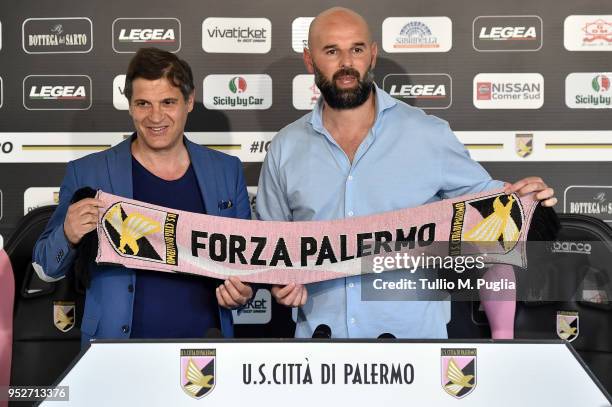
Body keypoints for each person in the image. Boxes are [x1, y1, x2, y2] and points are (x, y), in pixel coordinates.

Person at [256, 7, 557, 339]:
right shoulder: (285, 147)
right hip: (320, 350)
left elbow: (490, 208)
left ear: (372, 54)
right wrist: (279, 281)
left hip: (415, 351)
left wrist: (529, 199)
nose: (346, 63)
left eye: (356, 49)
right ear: (310, 60)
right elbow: (269, 245)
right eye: (331, 51)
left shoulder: (427, 134)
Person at [33, 48, 253, 347]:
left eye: (168, 102)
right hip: (115, 353)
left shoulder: (226, 171)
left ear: (189, 101)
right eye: (143, 104)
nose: (155, 116)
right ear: (130, 106)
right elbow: (45, 267)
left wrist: (241, 293)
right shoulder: (87, 172)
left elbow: (245, 267)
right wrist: (68, 235)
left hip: (204, 353)